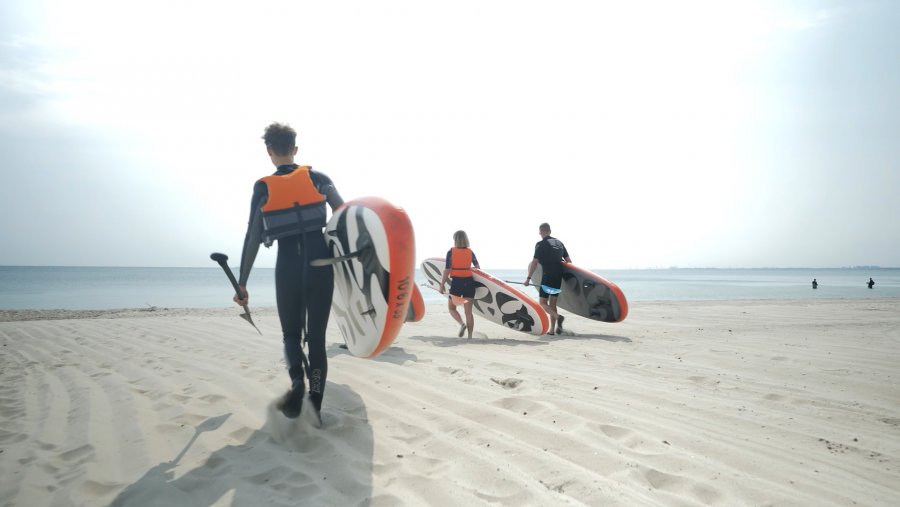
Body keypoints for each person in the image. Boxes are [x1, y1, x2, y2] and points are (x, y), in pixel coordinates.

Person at [233, 122, 344, 421]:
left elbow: (253, 236)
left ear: (269, 151)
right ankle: (316, 406)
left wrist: (242, 283)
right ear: (295, 149)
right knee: (317, 338)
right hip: (321, 263)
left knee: (291, 335)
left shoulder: (263, 187)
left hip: (287, 267)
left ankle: (297, 383)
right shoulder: (318, 177)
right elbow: (344, 214)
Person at [525, 223, 571, 335]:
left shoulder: (541, 244)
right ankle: (552, 330)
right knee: (553, 305)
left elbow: (535, 262)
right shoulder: (559, 243)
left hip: (548, 276)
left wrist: (528, 278)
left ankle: (558, 317)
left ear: (541, 231)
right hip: (558, 276)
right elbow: (569, 261)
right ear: (550, 231)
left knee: (543, 303)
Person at [439, 230, 481, 339]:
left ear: (455, 240)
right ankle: (470, 337)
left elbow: (447, 269)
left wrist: (442, 284)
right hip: (469, 283)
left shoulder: (451, 252)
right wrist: (468, 268)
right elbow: (477, 267)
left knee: (452, 308)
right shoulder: (470, 252)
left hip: (457, 283)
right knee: (468, 313)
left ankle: (462, 324)